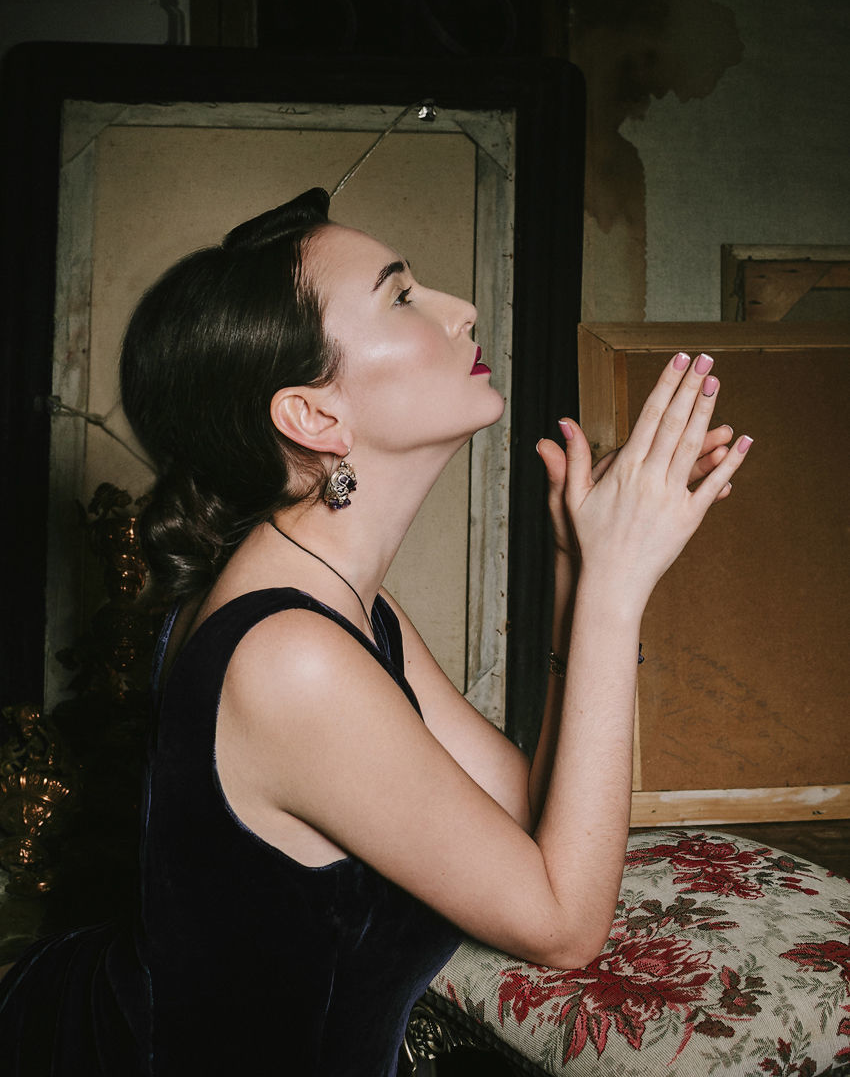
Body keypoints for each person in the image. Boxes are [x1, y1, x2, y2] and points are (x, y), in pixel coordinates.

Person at [0, 187, 751, 1075]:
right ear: (314, 416)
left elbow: (528, 820)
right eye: (402, 295)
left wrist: (580, 570)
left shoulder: (347, 604)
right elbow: (563, 924)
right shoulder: (292, 659)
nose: (461, 309)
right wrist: (618, 591)